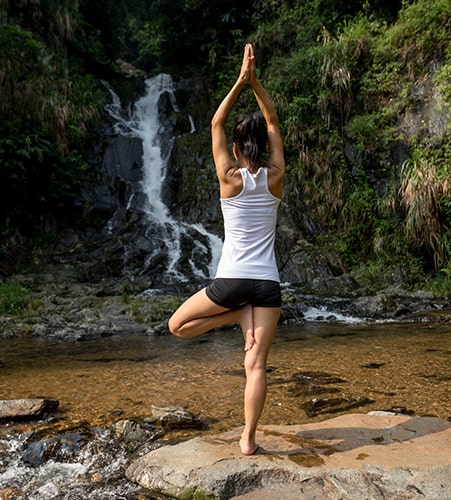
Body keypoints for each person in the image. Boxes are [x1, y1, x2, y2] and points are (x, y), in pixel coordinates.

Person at [168, 43, 285, 456]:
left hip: (231, 281)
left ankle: (233, 316)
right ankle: (248, 440)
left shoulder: (228, 179)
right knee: (256, 365)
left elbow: (217, 122)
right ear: (267, 149)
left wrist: (240, 80)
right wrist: (257, 84)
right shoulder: (275, 177)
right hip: (268, 286)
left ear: (236, 151)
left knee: (176, 327)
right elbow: (270, 117)